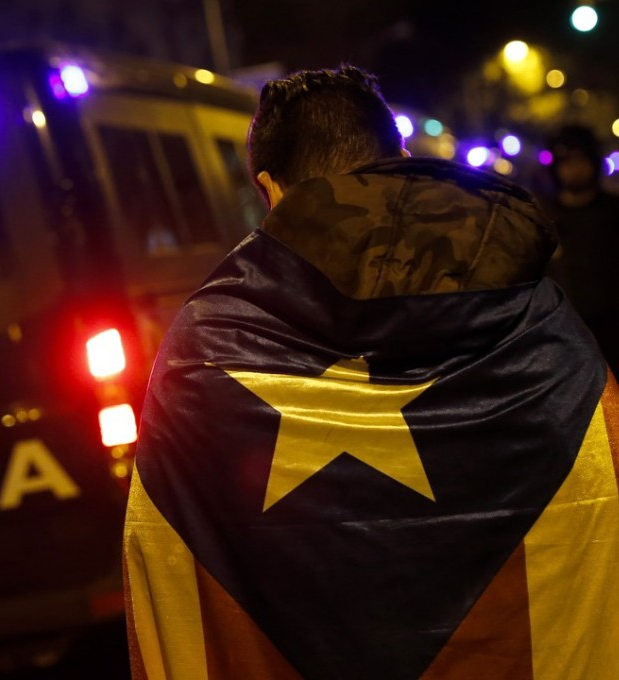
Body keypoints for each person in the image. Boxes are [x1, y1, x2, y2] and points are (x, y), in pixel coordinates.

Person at [123, 66, 619, 680]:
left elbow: (169, 553)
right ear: (404, 159)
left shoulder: (201, 349)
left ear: (268, 190)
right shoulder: (537, 316)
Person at [543, 124, 619, 372]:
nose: (574, 168)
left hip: (612, 334)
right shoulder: (544, 218)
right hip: (562, 338)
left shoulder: (612, 212)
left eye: (581, 160)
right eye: (567, 161)